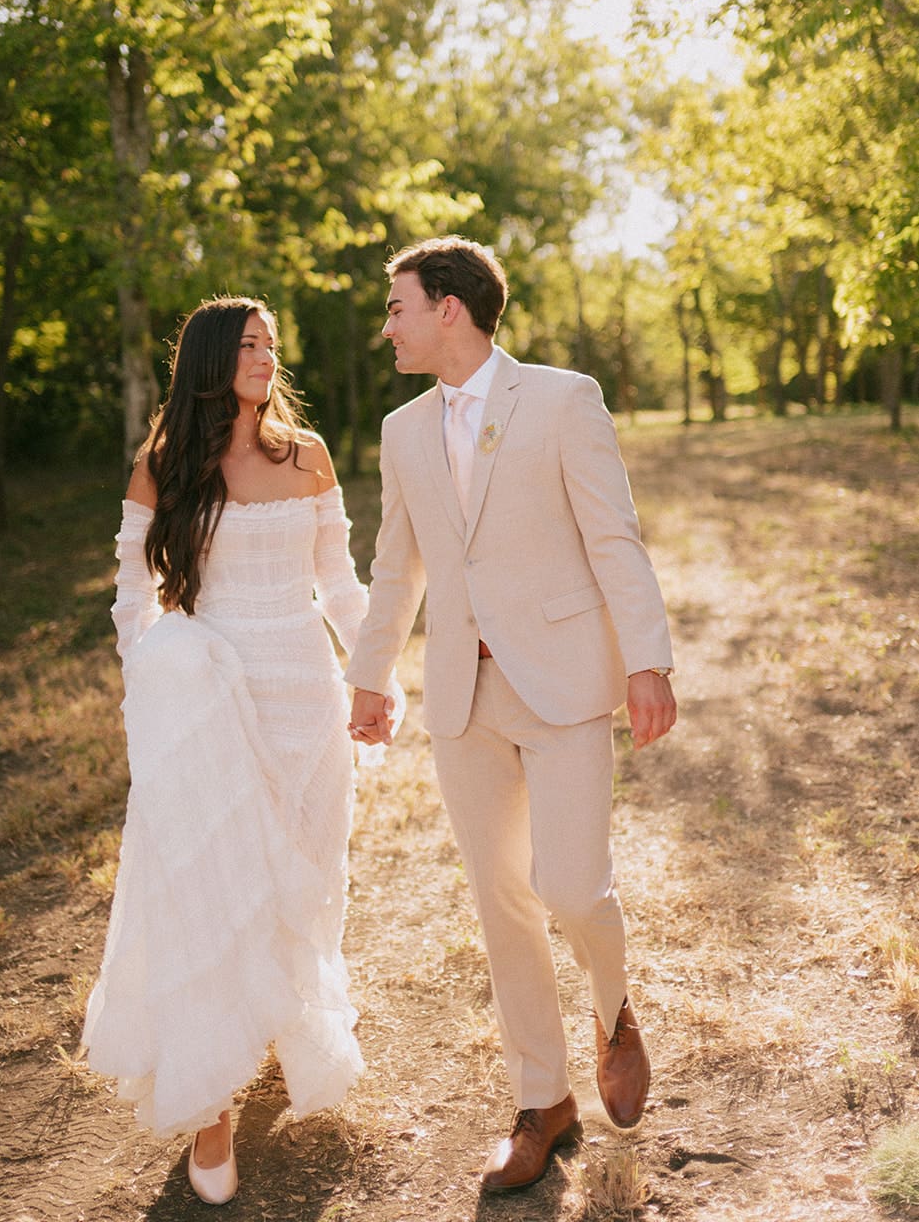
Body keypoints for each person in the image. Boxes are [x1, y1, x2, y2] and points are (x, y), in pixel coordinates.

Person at [345, 237, 676, 1193]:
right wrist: (372, 675)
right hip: (463, 693)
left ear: (450, 307)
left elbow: (614, 536)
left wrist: (646, 660)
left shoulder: (564, 399)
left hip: (566, 679)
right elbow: (395, 564)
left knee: (571, 888)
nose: (388, 325)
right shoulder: (403, 429)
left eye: (398, 306)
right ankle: (542, 1100)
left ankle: (615, 1013)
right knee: (502, 904)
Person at [82, 295, 399, 1206]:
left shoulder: (306, 457)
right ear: (212, 358)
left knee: (300, 879)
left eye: (272, 344)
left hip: (307, 701)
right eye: (250, 344)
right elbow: (131, 600)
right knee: (213, 892)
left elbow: (340, 584)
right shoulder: (165, 465)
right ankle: (210, 1103)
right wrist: (160, 676)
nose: (266, 356)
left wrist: (375, 676)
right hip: (212, 704)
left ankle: (267, 1024)